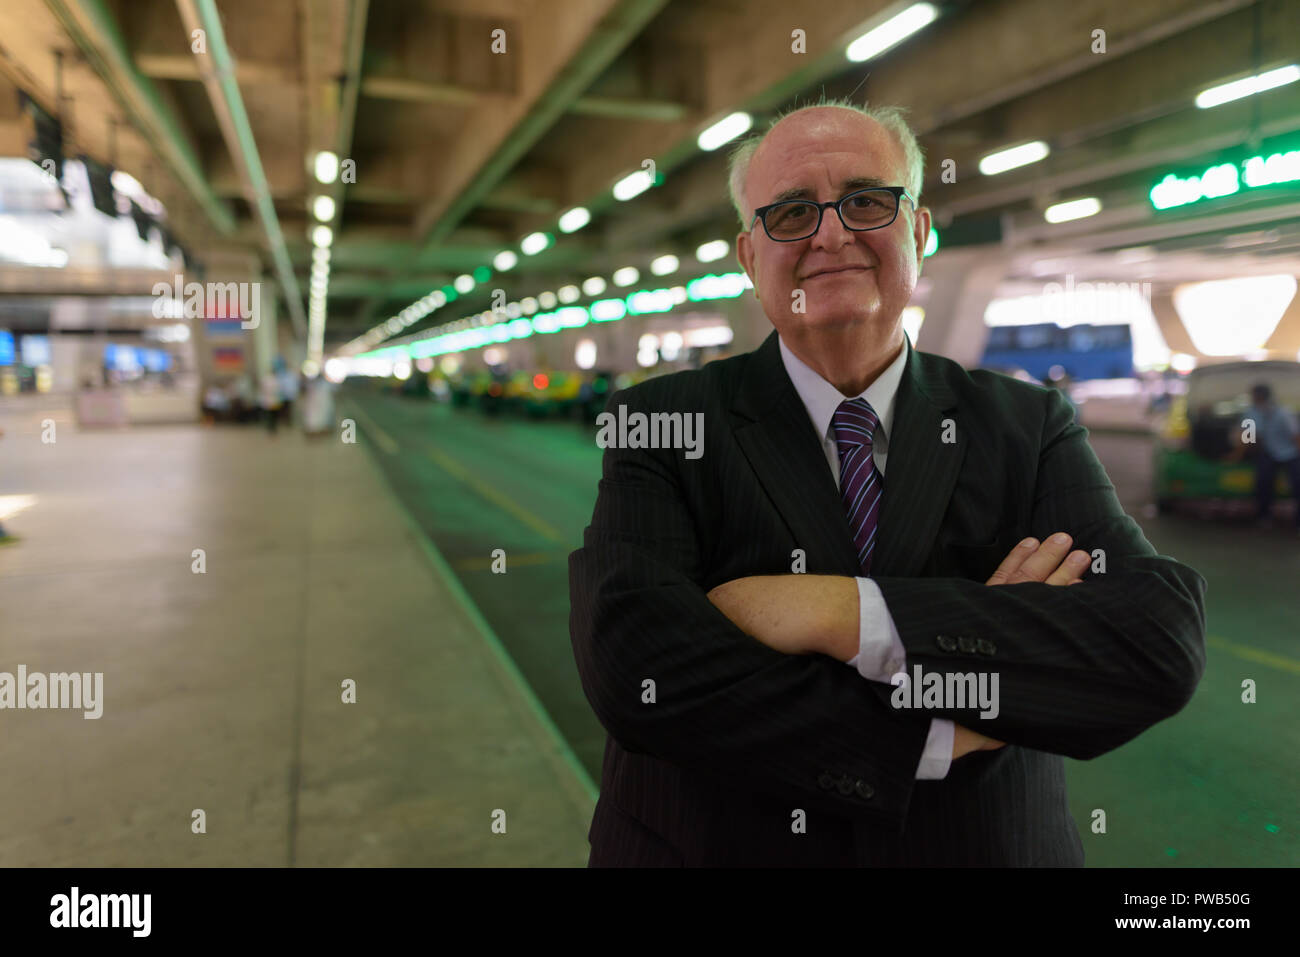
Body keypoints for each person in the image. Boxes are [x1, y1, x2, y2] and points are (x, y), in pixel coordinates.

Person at [568, 99, 1207, 867]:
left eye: (867, 201)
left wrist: (842, 610)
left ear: (920, 230)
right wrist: (963, 711)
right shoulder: (660, 422)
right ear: (748, 256)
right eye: (793, 212)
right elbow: (640, 666)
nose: (832, 233)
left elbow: (1153, 640)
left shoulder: (1027, 425)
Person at [1236, 383, 1300, 530]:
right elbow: (1248, 439)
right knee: (1263, 483)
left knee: (1298, 484)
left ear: (1259, 396)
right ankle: (1264, 516)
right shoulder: (1251, 414)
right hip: (1269, 453)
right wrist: (1238, 455)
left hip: (1289, 452)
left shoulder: (1283, 413)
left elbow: (1295, 436)